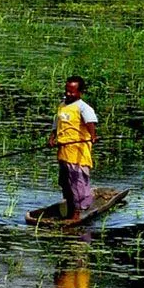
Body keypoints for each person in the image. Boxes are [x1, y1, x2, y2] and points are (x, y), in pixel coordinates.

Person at [48, 75, 99, 222]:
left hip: (77, 152)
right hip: (64, 151)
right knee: (65, 182)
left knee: (77, 183)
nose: (69, 94)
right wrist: (52, 138)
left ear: (80, 92)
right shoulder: (62, 105)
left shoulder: (83, 107)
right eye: (67, 91)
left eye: (72, 92)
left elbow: (90, 123)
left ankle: (77, 213)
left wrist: (93, 136)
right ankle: (70, 209)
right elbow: (56, 124)